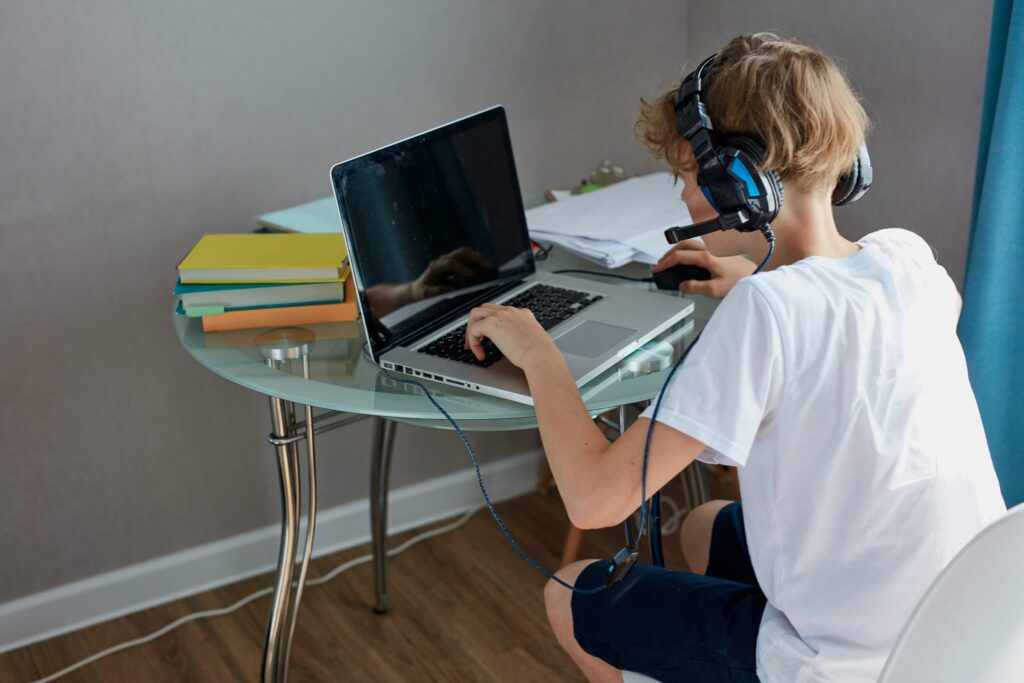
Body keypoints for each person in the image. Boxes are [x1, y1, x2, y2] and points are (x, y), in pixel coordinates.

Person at [462, 32, 1006, 682]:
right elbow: (898, 320)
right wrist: (750, 276)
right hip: (965, 634)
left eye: (688, 175)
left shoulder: (768, 314)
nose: (686, 199)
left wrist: (536, 349)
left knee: (571, 591)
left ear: (738, 178)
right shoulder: (907, 261)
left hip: (842, 666)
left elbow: (593, 500)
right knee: (701, 525)